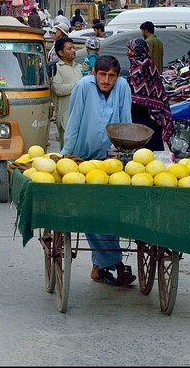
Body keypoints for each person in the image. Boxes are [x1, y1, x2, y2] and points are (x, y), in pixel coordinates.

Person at [60, 55, 136, 287]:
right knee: (91, 212)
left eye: (111, 75)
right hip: (81, 159)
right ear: (94, 73)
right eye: (102, 75)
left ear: (117, 75)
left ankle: (100, 266)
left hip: (110, 160)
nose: (106, 80)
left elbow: (126, 122)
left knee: (110, 212)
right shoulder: (83, 87)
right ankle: (114, 262)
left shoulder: (122, 87)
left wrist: (128, 157)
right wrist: (65, 157)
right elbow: (73, 123)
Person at [126, 38, 172, 151]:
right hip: (153, 110)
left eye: (130, 50)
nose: (128, 53)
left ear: (137, 51)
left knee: (144, 140)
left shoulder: (138, 65)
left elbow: (136, 90)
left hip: (140, 110)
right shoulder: (150, 62)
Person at [51, 37, 80, 144]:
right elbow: (58, 89)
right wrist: (79, 85)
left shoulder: (80, 67)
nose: (73, 50)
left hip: (82, 117)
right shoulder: (56, 68)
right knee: (67, 155)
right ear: (60, 52)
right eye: (69, 48)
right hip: (65, 118)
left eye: (73, 47)